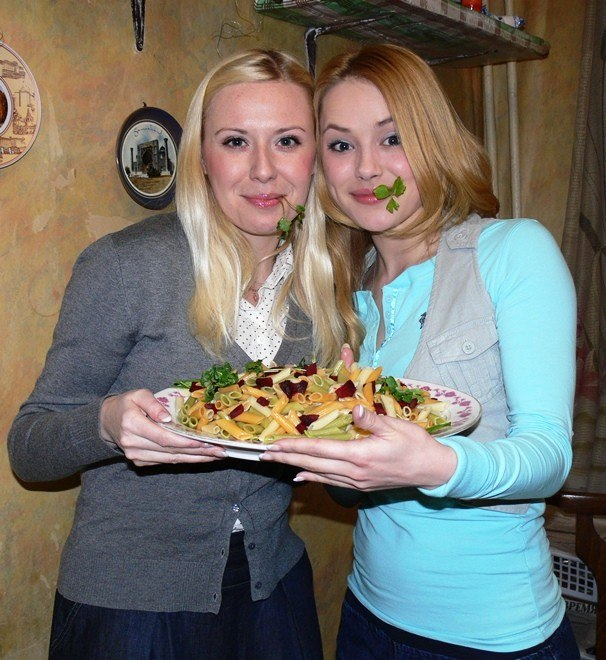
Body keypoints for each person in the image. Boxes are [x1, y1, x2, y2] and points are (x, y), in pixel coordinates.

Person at [8, 48, 354, 660]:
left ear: (315, 159)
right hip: (131, 606)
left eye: (288, 141)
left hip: (274, 590)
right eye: (236, 142)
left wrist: (348, 433)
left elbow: (339, 484)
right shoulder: (128, 265)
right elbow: (28, 448)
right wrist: (106, 425)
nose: (264, 170)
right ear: (201, 157)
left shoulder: (322, 280)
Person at [260, 44, 580, 658]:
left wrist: (435, 465)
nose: (367, 169)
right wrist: (339, 453)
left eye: (393, 138)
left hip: (495, 638)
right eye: (341, 145)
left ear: (433, 141)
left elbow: (549, 456)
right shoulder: (341, 294)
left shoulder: (511, 251)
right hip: (366, 620)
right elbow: (358, 492)